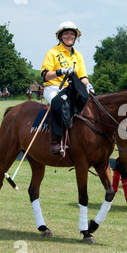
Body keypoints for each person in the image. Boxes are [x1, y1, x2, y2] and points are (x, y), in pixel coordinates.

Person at [41, 21, 94, 155]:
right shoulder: (52, 52)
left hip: (72, 88)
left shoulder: (78, 55)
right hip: (54, 87)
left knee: (90, 103)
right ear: (60, 36)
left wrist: (88, 85)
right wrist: (60, 72)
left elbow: (82, 76)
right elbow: (45, 75)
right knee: (59, 103)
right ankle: (55, 141)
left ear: (76, 37)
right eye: (66, 33)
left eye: (72, 34)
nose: (69, 36)